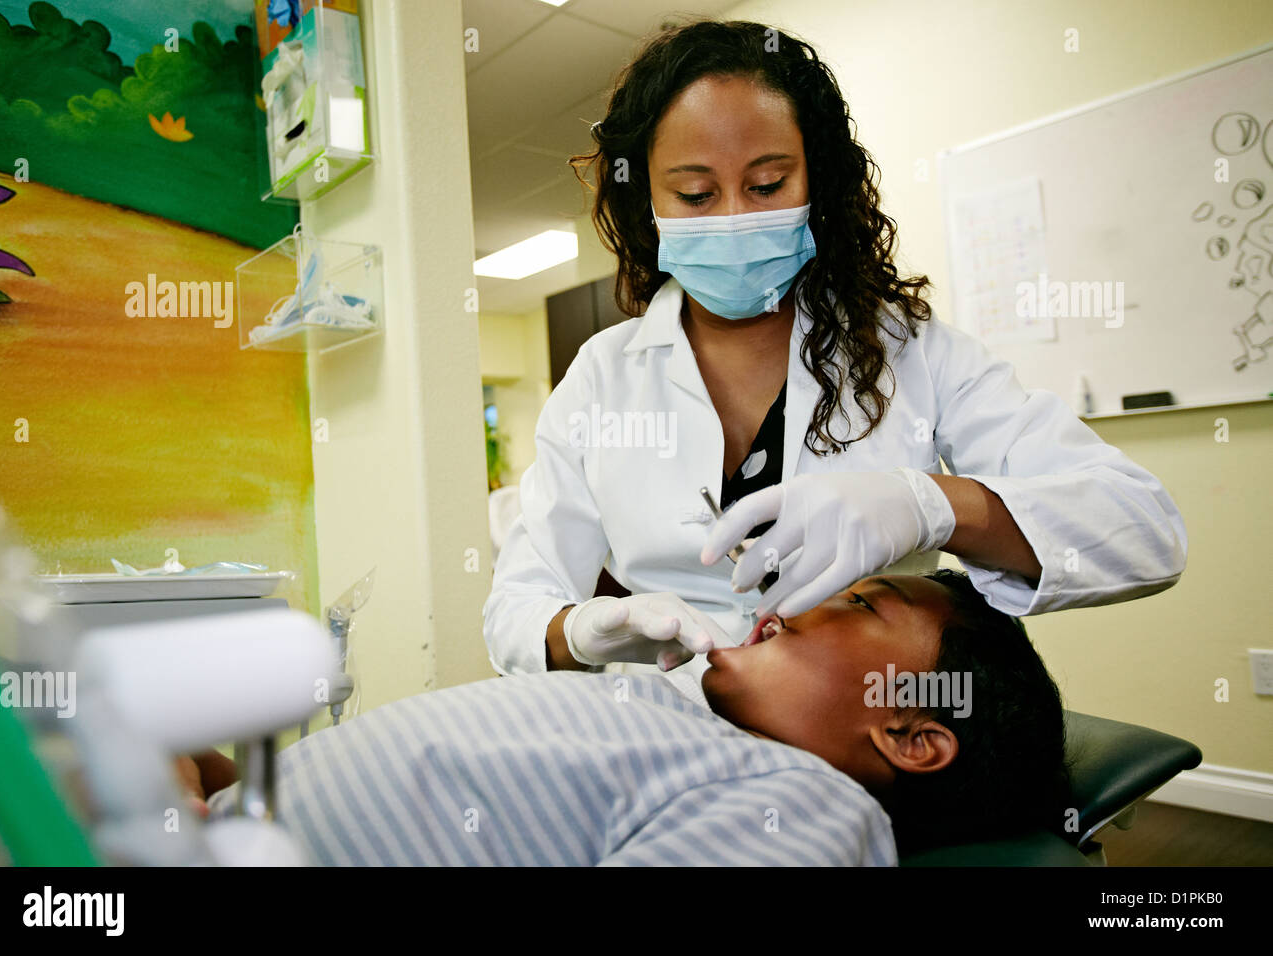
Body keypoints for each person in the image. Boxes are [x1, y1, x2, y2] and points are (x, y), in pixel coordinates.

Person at [482, 18, 1186, 707]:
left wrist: (931, 505)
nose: (731, 218)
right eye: (694, 195)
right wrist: (580, 632)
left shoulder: (907, 348)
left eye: (766, 185)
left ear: (817, 184)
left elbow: (1143, 532)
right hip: (664, 743)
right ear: (647, 202)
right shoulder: (604, 377)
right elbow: (514, 610)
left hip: (850, 740)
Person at [200, 569, 1071, 865]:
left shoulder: (808, 806)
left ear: (912, 734)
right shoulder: (690, 731)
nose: (799, 599)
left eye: (859, 605)